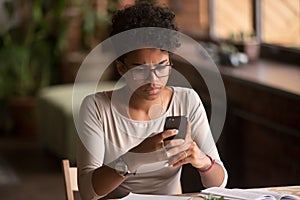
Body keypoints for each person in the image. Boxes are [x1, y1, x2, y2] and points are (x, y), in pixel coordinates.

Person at [77, 2, 228, 200]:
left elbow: (220, 184)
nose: (153, 80)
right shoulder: (96, 107)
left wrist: (202, 161)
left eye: (162, 66)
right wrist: (135, 156)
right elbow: (89, 192)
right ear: (121, 68)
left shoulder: (186, 100)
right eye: (140, 69)